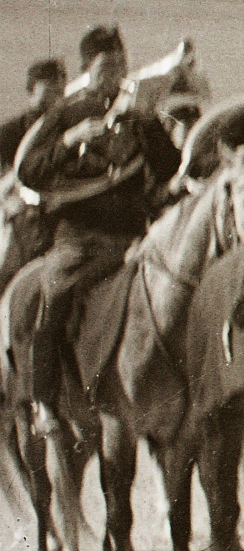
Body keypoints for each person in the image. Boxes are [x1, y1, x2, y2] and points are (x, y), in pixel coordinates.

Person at [17, 26, 179, 432]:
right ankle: (44, 400)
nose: (115, 74)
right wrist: (71, 140)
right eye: (106, 67)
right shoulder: (65, 115)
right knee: (54, 295)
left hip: (131, 237)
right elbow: (29, 172)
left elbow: (169, 168)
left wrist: (151, 124)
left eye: (121, 65)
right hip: (79, 238)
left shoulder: (136, 116)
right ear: (87, 70)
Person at [3, 58, 67, 169]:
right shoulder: (8, 133)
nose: (54, 97)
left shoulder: (66, 128)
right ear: (31, 89)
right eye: (49, 88)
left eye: (58, 91)